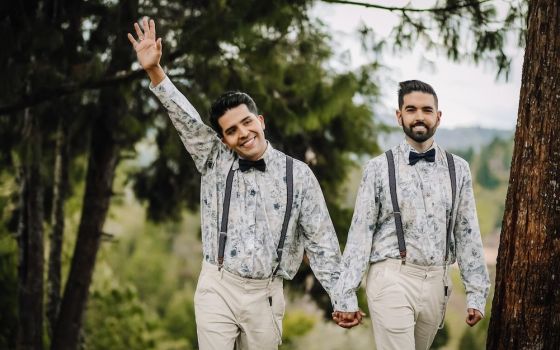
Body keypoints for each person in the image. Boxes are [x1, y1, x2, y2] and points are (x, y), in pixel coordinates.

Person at [127, 18, 355, 349]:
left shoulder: (298, 175)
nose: (243, 133)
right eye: (232, 130)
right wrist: (155, 72)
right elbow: (186, 118)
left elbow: (321, 243)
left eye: (247, 122)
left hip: (266, 295)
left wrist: (342, 297)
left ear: (260, 121)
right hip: (217, 286)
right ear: (224, 138)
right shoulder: (213, 158)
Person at [332, 80, 491, 349]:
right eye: (411, 109)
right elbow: (360, 235)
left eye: (427, 110)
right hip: (391, 276)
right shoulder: (378, 168)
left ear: (438, 117)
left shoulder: (459, 169)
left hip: (437, 283)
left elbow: (467, 233)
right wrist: (345, 295)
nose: (419, 117)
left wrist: (476, 294)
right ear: (399, 116)